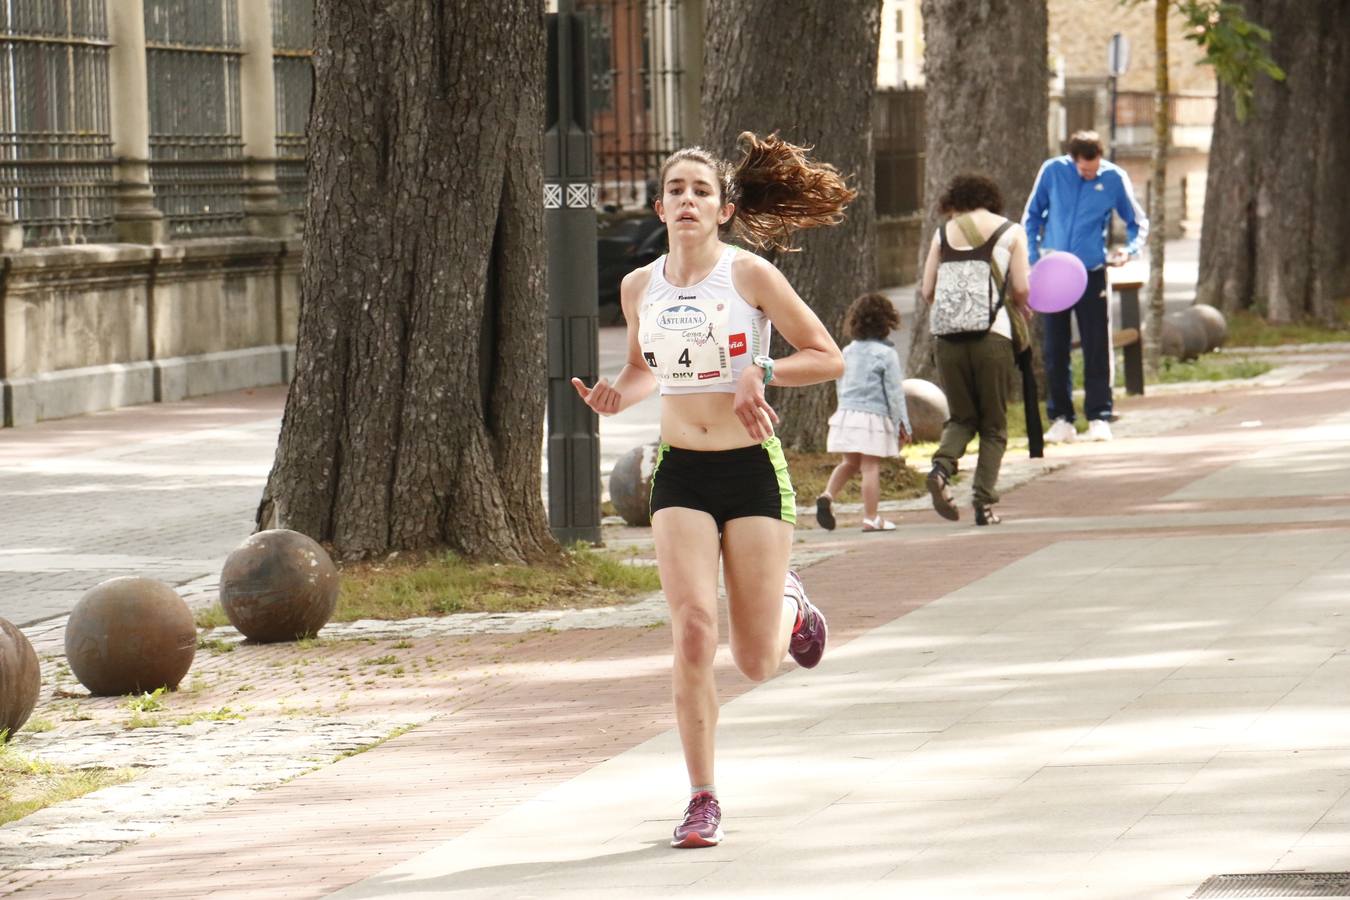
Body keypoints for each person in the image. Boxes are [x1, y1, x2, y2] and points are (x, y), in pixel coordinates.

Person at [571, 132, 850, 849]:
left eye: (701, 190)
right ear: (659, 207)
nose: (687, 200)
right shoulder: (640, 287)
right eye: (676, 190)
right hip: (681, 475)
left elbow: (827, 356)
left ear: (723, 209)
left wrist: (761, 369)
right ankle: (701, 798)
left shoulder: (750, 276)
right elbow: (642, 369)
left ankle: (790, 604)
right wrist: (616, 395)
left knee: (756, 663)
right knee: (693, 629)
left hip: (751, 469)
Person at [1022, 130, 1149, 443]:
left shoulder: (1114, 178)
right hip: (1053, 271)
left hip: (1091, 272)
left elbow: (1137, 222)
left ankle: (1098, 416)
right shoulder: (1053, 171)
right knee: (1055, 346)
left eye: (1093, 169)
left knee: (1096, 345)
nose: (1089, 174)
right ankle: (1062, 418)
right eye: (1083, 170)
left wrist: (1129, 250)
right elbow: (1032, 216)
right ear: (1073, 159)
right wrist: (1033, 257)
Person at [922, 174, 1031, 526]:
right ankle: (983, 504)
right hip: (992, 337)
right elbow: (1022, 289)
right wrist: (1019, 304)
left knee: (961, 417)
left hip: (948, 340)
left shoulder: (943, 233)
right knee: (994, 425)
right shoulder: (1010, 231)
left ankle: (940, 470)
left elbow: (927, 291)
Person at [815, 293, 912, 533]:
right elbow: (894, 393)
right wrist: (903, 424)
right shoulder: (886, 354)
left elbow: (840, 382)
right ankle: (871, 517)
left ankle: (827, 495)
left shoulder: (847, 351)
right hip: (872, 416)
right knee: (870, 466)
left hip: (847, 413)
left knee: (849, 462)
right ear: (887, 322)